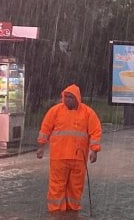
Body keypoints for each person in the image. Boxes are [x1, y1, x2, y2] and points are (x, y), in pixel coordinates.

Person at [36, 84, 102, 213]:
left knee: (76, 186)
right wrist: (41, 147)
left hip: (79, 157)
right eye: (65, 97)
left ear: (77, 98)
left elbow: (95, 131)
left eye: (70, 97)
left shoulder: (88, 113)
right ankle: (56, 211)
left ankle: (72, 210)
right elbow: (45, 129)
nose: (67, 100)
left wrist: (94, 150)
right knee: (57, 186)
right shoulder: (55, 111)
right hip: (59, 157)